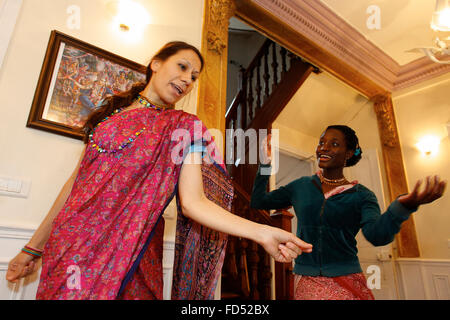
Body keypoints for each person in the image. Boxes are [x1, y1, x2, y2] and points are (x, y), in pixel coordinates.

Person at [6, 41, 313, 300]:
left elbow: (194, 202)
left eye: (193, 76)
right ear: (155, 63)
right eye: (182, 67)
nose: (187, 80)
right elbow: (75, 187)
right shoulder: (109, 117)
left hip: (131, 255)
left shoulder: (183, 128)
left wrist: (261, 232)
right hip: (69, 247)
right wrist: (33, 249)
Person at [250, 125, 446, 300]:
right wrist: (265, 165)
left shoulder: (362, 196)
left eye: (334, 144)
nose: (323, 148)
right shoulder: (301, 186)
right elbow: (259, 201)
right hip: (307, 281)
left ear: (349, 153)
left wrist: (403, 206)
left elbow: (377, 235)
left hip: (346, 280)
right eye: (321, 143)